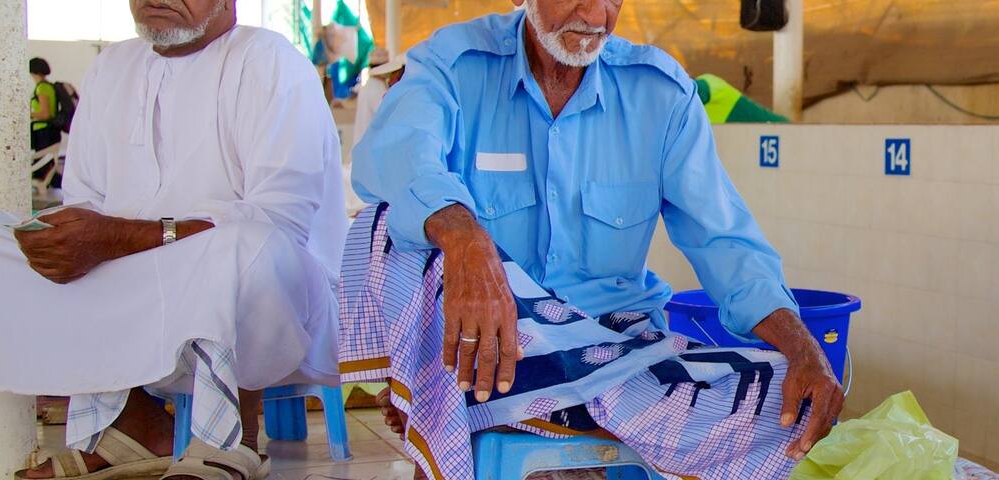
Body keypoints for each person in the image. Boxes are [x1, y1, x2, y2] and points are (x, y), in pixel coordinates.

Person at [348, 0, 842, 478]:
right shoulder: (454, 64)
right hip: (497, 352)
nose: (594, 15)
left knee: (788, 393)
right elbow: (392, 157)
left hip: (618, 353)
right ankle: (452, 400)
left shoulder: (660, 94)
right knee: (392, 227)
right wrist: (464, 236)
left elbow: (725, 241)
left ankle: (497, 415)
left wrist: (803, 349)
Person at [0, 0, 346, 478]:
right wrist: (67, 237)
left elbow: (281, 219)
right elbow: (86, 201)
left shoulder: (270, 61)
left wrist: (117, 238)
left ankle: (231, 439)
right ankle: (133, 429)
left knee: (245, 247)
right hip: (131, 274)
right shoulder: (112, 65)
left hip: (267, 293)